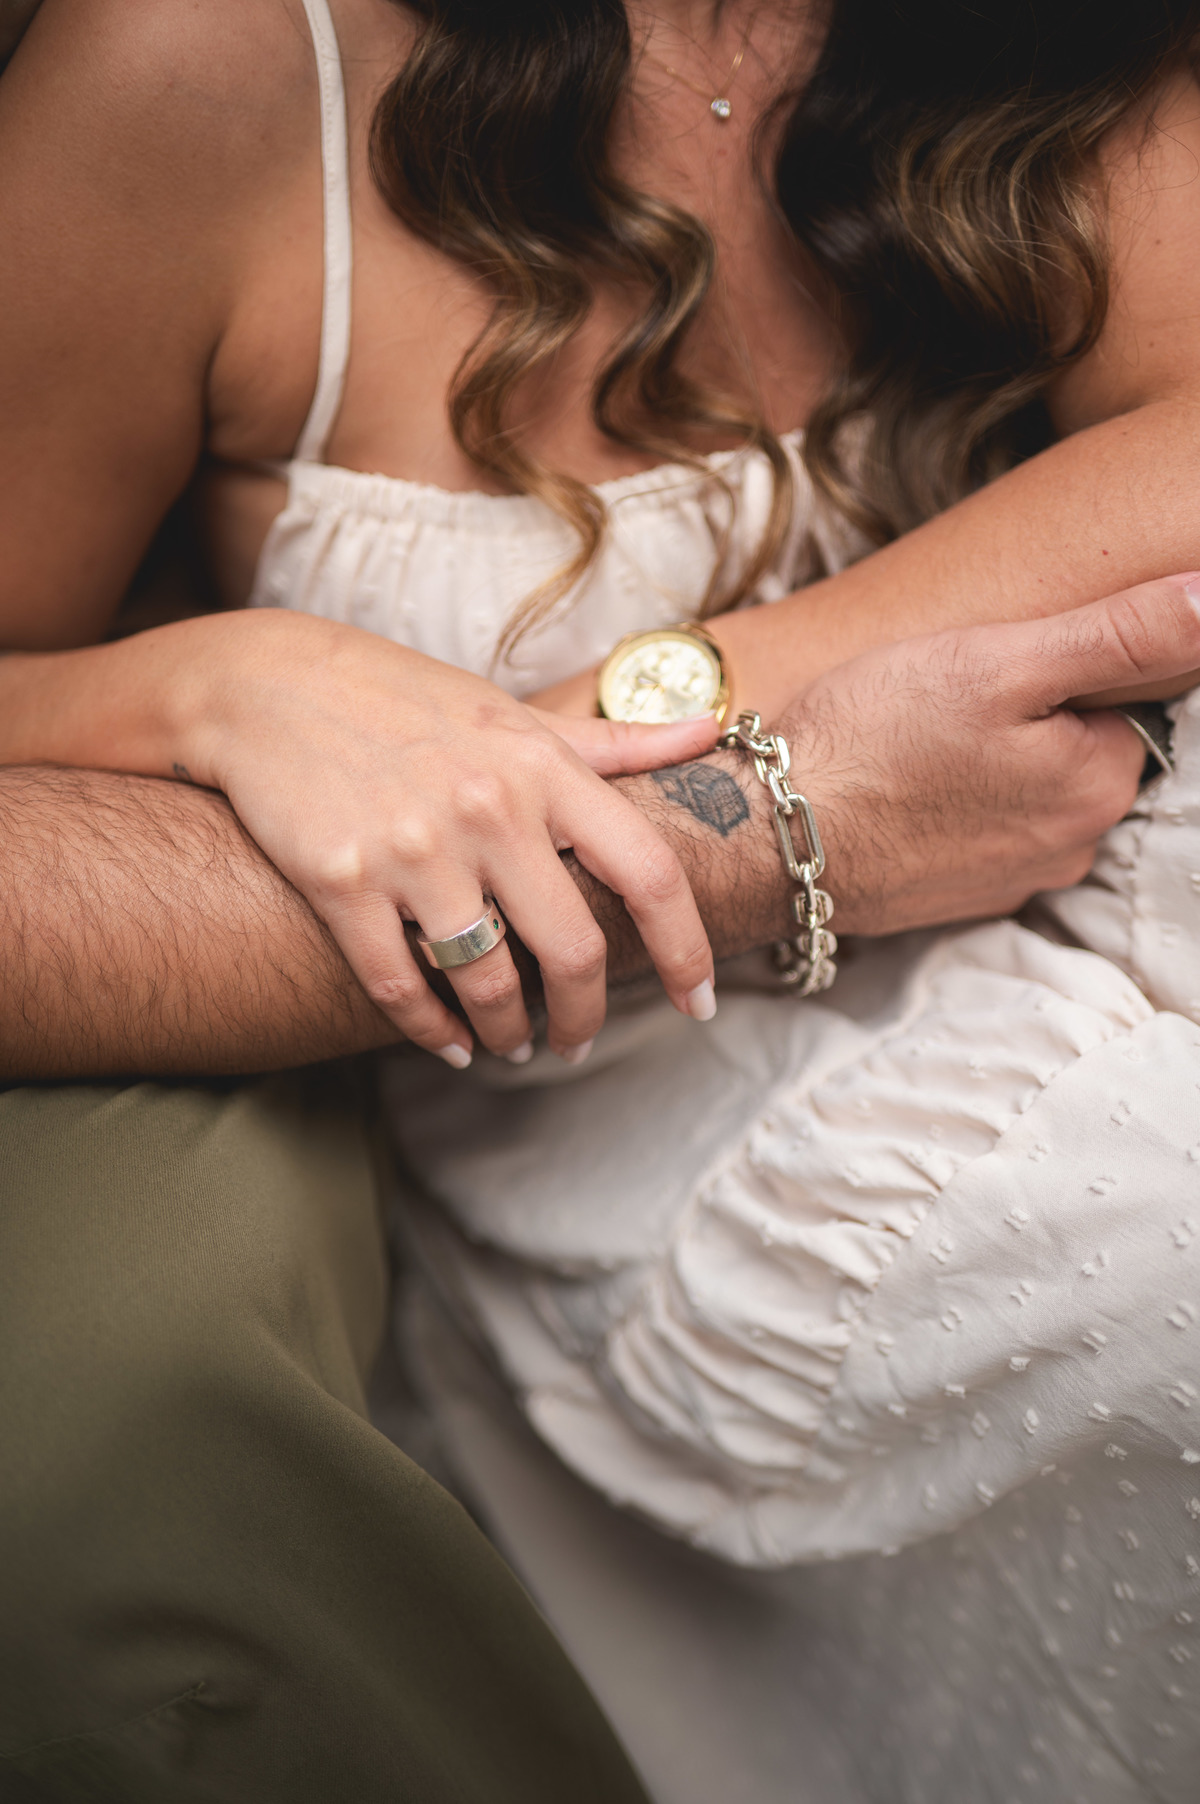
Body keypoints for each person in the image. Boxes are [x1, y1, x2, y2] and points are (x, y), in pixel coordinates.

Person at [1, 1, 1199, 1800]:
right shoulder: (208, 64)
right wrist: (215, 681)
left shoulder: (1044, 40)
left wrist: (608, 739)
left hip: (1050, 858)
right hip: (608, 1080)